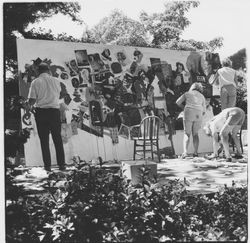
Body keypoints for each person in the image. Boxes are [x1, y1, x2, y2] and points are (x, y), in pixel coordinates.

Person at [27, 62, 66, 171]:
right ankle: (62, 165)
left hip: (41, 113)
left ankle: (47, 166)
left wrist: (28, 103)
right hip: (54, 112)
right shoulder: (56, 81)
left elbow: (32, 100)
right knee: (57, 139)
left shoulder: (35, 82)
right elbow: (61, 94)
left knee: (44, 141)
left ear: (38, 71)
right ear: (48, 71)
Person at [176, 82, 206, 158]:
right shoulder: (202, 96)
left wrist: (184, 108)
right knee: (195, 134)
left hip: (188, 112)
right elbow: (204, 110)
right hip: (198, 113)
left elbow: (178, 102)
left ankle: (185, 152)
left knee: (187, 133)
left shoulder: (187, 93)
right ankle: (195, 152)